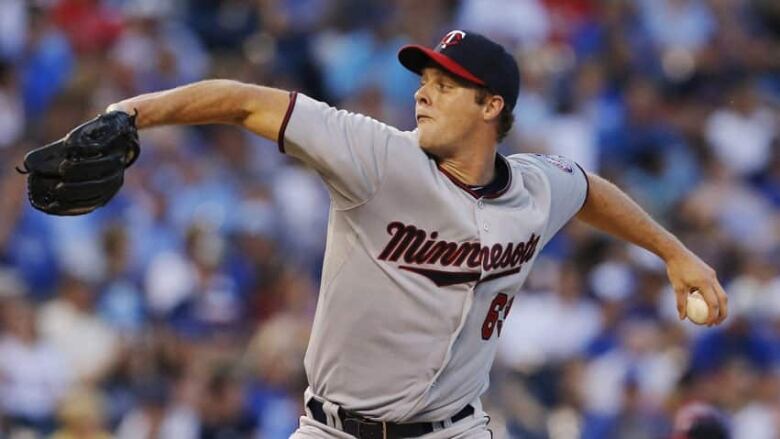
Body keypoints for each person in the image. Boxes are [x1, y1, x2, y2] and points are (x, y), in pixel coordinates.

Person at [104, 30, 728, 438]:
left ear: (491, 107)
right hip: (335, 429)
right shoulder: (376, 156)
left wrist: (674, 253)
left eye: (444, 86)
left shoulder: (537, 188)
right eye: (423, 83)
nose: (422, 96)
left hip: (455, 428)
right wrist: (130, 114)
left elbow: (588, 188)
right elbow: (244, 101)